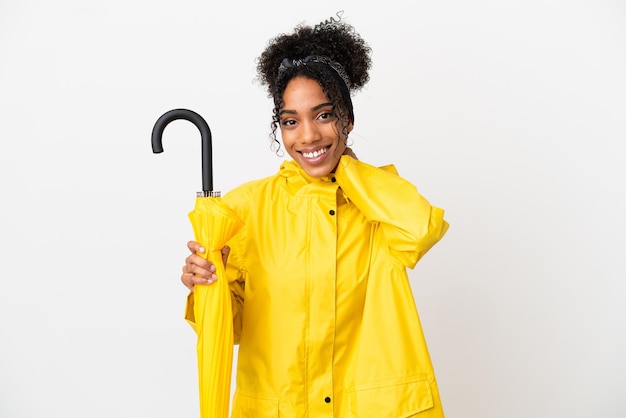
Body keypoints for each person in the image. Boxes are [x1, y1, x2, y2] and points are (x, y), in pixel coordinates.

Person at [181, 13, 449, 417]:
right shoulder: (243, 210)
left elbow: (420, 229)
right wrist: (205, 287)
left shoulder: (377, 203)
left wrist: (352, 172)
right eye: (291, 122)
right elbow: (229, 330)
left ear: (347, 119)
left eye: (323, 115)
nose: (307, 136)